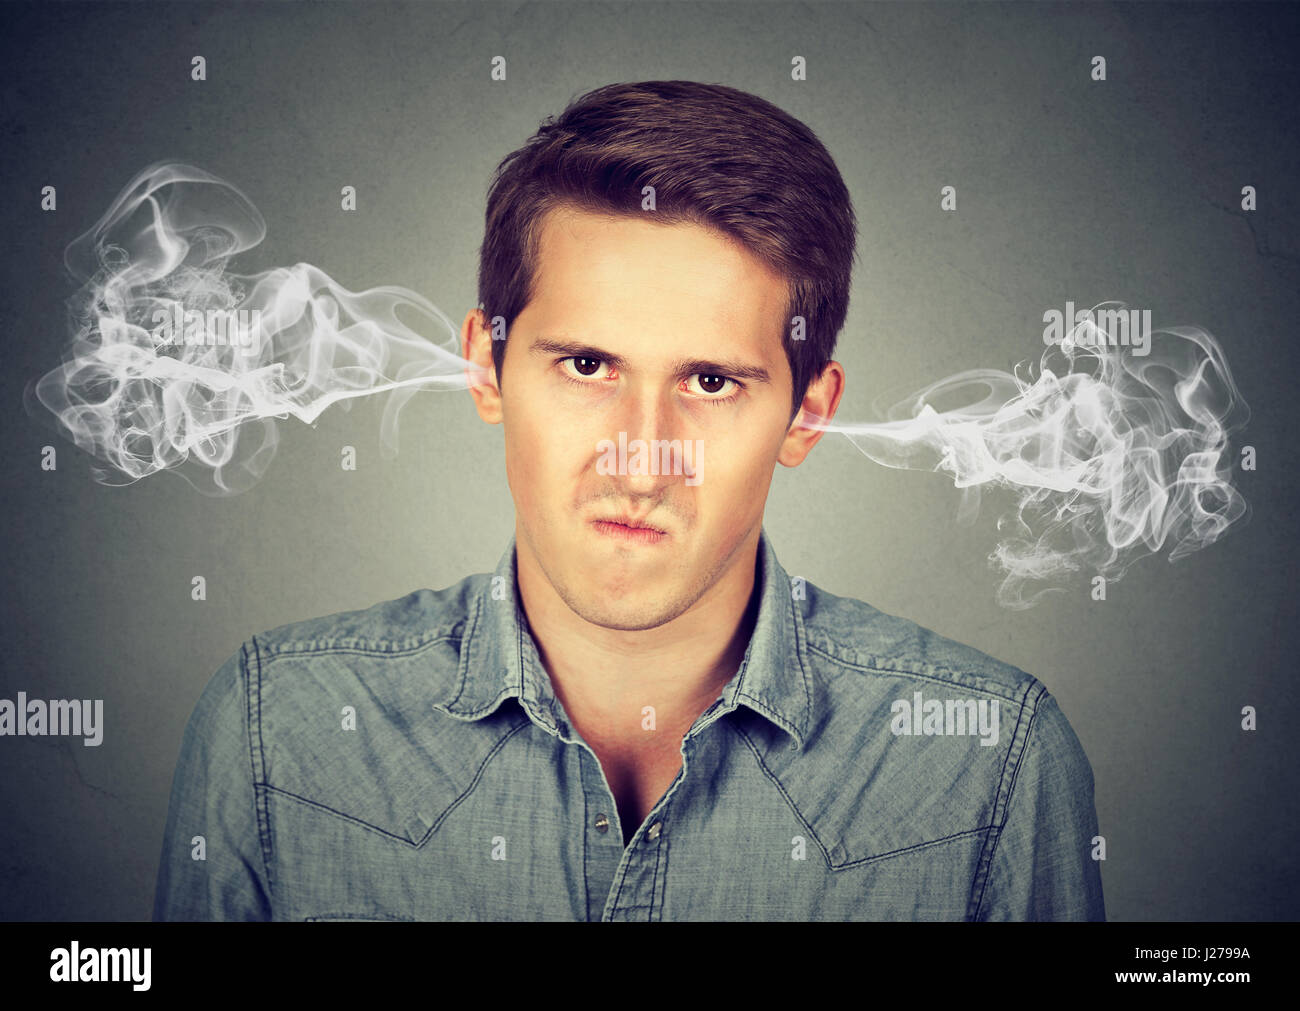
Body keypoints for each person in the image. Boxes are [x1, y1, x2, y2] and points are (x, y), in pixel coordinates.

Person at [153, 80, 1104, 921]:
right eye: (587, 364)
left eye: (712, 383)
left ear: (807, 415)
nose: (642, 462)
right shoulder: (276, 730)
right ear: (485, 367)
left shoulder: (991, 766)